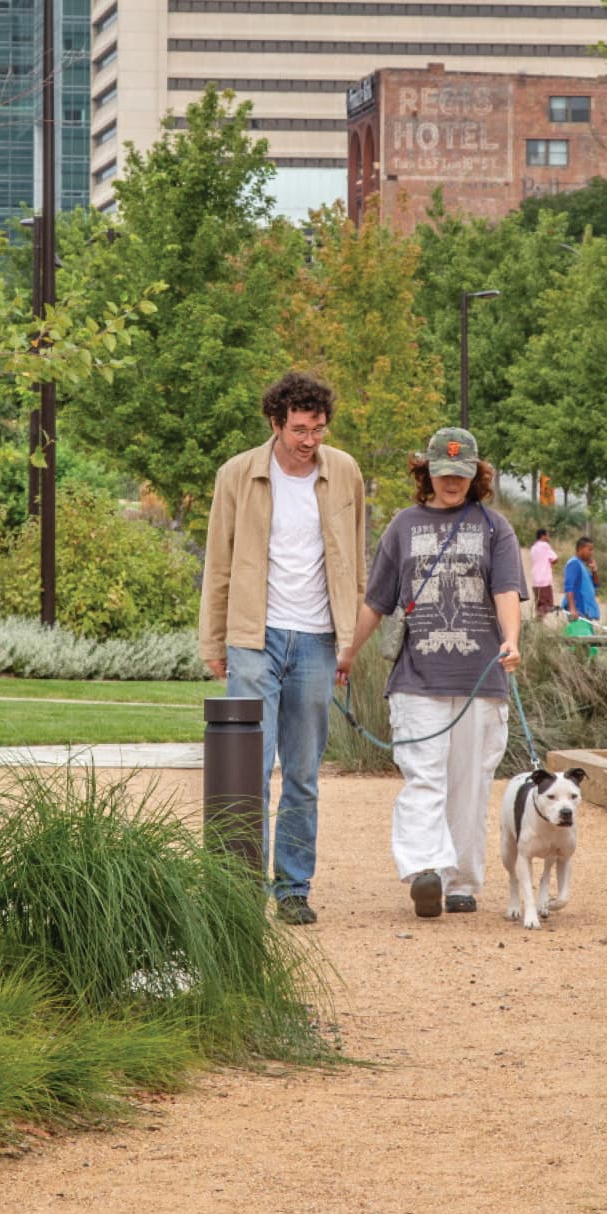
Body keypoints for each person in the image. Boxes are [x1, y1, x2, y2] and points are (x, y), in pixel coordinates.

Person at [336, 427, 523, 920]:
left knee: (469, 784)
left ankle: (460, 880)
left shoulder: (493, 527)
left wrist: (512, 639)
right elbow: (376, 600)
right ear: (427, 473)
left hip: (480, 679)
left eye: (461, 475)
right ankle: (425, 870)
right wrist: (347, 654)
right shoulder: (402, 526)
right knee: (424, 777)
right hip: (417, 678)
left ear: (476, 476)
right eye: (442, 473)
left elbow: (506, 589)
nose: (452, 482)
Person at [200, 371, 366, 924]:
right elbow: (218, 562)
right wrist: (214, 639)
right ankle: (237, 891)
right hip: (255, 636)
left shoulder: (343, 472)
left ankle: (293, 889)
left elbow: (356, 561)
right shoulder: (238, 475)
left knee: (302, 771)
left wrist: (350, 641)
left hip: (318, 638)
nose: (309, 440)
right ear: (275, 424)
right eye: (299, 429)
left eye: (318, 429)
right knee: (248, 767)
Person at [562, 535, 600, 623]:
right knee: (579, 636)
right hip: (578, 611)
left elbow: (596, 584)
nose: (592, 553)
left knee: (585, 635)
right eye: (589, 550)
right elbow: (569, 587)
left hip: (586, 612)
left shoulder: (582, 566)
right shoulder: (574, 564)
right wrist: (572, 609)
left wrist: (594, 570)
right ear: (581, 549)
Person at [528, 527, 558, 619]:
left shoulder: (533, 548)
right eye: (547, 535)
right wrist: (551, 563)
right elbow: (555, 558)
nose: (549, 537)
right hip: (544, 581)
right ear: (543, 536)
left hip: (535, 581)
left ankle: (538, 624)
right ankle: (538, 622)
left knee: (539, 603)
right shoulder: (545, 546)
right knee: (547, 605)